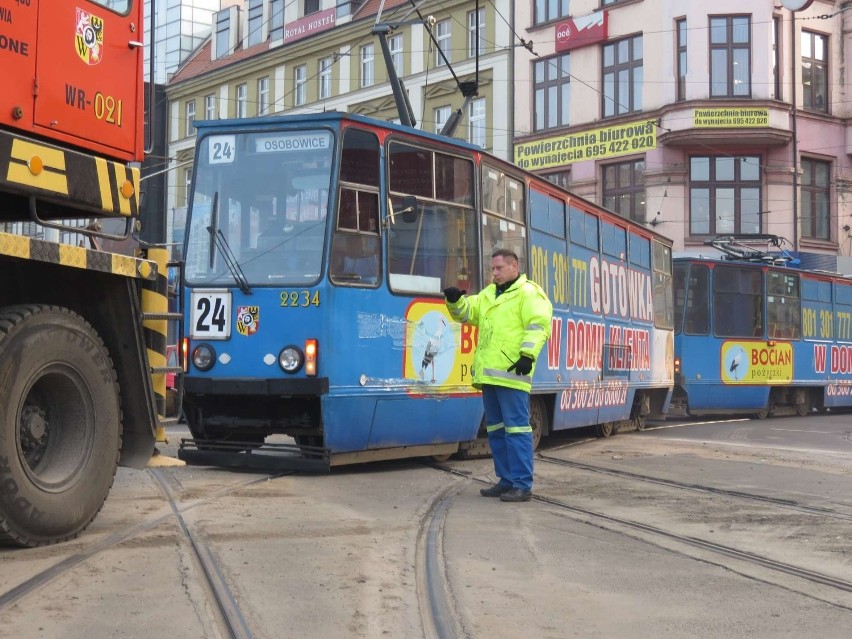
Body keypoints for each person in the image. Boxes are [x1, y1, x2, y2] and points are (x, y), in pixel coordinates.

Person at [443, 248, 553, 502]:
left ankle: (522, 484)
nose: (494, 273)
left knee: (517, 431)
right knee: (497, 431)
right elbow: (468, 314)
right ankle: (505, 480)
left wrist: (528, 355)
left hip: (513, 373)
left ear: (514, 267)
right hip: (490, 376)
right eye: (492, 269)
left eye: (499, 268)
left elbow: (538, 326)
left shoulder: (528, 293)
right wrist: (454, 302)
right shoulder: (489, 294)